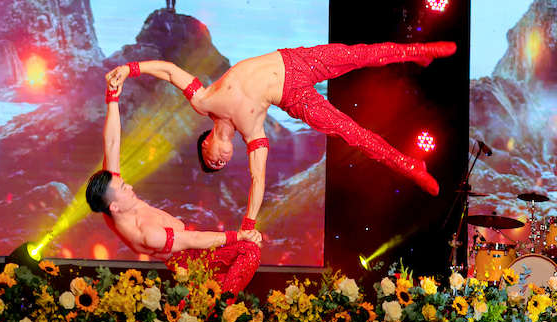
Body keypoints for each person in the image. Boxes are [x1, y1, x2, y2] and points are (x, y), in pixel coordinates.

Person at [107, 41, 457, 230]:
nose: (221, 161)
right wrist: (248, 224)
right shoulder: (253, 135)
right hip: (294, 97)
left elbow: (169, 71)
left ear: (206, 143)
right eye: (221, 166)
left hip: (296, 61)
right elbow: (257, 181)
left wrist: (129, 68)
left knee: (358, 55)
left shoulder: (203, 100)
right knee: (352, 133)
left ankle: (419, 52)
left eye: (213, 161)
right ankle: (410, 166)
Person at [86, 71, 262, 298]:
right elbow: (193, 240)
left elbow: (111, 142)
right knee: (249, 251)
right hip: (194, 260)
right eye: (123, 189)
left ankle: (215, 304)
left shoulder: (111, 199)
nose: (129, 187)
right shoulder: (146, 234)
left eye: (124, 184)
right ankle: (218, 307)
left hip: (194, 245)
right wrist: (238, 236)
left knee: (247, 250)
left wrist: (112, 96)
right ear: (114, 206)